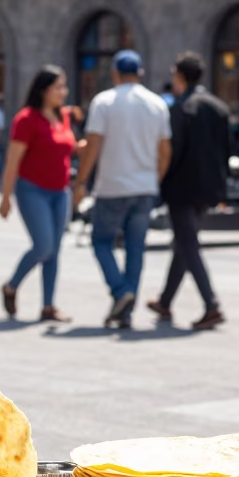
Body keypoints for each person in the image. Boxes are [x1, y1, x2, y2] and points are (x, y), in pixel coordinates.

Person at [73, 50, 171, 329]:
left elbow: (92, 147)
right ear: (140, 73)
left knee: (101, 242)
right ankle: (125, 311)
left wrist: (81, 182)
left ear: (115, 73)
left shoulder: (104, 102)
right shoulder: (157, 104)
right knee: (135, 248)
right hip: (144, 188)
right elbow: (165, 150)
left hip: (112, 187)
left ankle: (120, 292)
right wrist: (156, 178)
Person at [146, 52, 230, 331]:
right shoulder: (219, 107)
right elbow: (227, 150)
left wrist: (160, 181)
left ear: (179, 76)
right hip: (209, 187)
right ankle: (166, 301)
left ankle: (211, 304)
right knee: (184, 242)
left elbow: (172, 151)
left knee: (188, 244)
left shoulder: (182, 108)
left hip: (182, 187)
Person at [0, 66, 82, 322]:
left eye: (64, 86)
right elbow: (12, 161)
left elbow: (63, 148)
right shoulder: (26, 119)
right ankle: (11, 285)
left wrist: (82, 147)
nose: (63, 92)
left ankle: (48, 306)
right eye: (59, 86)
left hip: (61, 193)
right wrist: (5, 196)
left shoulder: (63, 117)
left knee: (55, 250)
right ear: (44, 90)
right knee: (43, 246)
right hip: (32, 191)